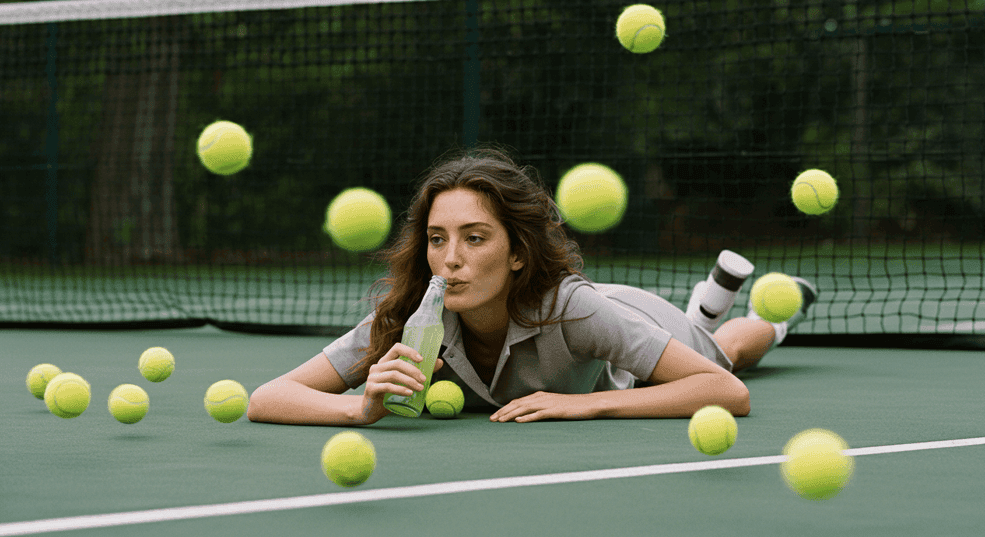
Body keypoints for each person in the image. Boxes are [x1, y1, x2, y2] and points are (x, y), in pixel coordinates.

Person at [247, 148, 816, 426]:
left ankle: (772, 306)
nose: (451, 261)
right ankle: (710, 301)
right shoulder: (412, 316)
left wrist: (587, 406)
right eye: (438, 239)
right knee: (706, 343)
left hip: (623, 317)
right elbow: (266, 397)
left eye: (475, 239)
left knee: (727, 354)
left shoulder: (575, 310)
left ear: (517, 253)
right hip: (607, 333)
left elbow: (726, 394)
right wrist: (357, 410)